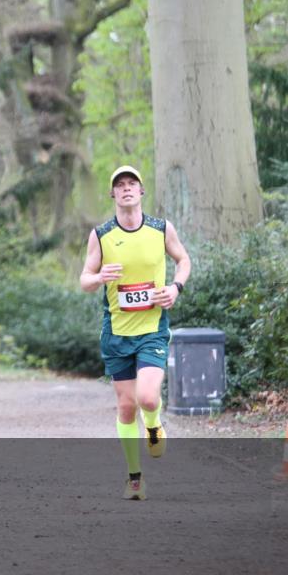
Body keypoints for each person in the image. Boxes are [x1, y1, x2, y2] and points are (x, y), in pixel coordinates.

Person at [80, 165, 191, 501]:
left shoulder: (160, 229)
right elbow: (84, 278)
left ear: (142, 192)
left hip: (152, 330)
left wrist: (175, 287)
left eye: (132, 184)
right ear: (113, 194)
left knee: (146, 398)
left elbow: (183, 259)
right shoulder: (101, 235)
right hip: (116, 333)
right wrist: (99, 278)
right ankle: (135, 479)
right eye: (119, 185)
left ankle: (154, 423)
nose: (126, 189)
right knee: (126, 408)